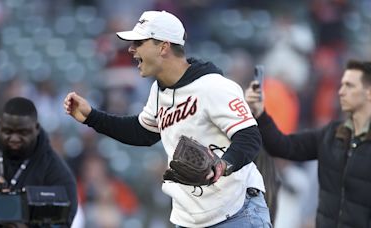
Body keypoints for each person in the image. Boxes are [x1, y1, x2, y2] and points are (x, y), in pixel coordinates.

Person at [64, 10, 271, 228]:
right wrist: (91, 117)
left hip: (236, 211)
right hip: (190, 218)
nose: (131, 49)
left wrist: (222, 165)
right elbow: (142, 132)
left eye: (139, 43)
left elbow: (249, 137)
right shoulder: (159, 91)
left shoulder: (214, 86)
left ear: (163, 47)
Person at [245, 59, 371, 228]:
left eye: (349, 86)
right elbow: (283, 146)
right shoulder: (331, 134)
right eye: (341, 85)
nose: (341, 92)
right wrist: (260, 113)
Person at [0, 97, 78, 227]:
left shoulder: (55, 171)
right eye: (7, 131)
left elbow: (65, 221)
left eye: (23, 132)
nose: (14, 138)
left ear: (36, 128)